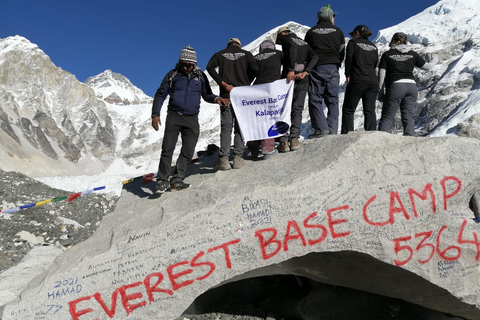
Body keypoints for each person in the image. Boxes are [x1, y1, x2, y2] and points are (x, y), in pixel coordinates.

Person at [151, 45, 230, 193]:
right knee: (167, 149)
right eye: (183, 64)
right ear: (180, 62)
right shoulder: (172, 75)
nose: (186, 67)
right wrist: (155, 114)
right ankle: (162, 181)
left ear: (194, 64)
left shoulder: (200, 76)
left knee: (188, 150)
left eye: (189, 65)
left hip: (192, 118)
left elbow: (207, 94)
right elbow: (160, 94)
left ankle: (177, 180)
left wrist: (216, 98)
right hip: (174, 116)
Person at [206, 38, 258, 170]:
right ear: (239, 45)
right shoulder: (246, 54)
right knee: (240, 125)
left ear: (228, 45)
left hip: (226, 95)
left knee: (226, 126)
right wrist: (246, 82)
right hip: (242, 95)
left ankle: (223, 159)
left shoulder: (220, 54)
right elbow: (255, 68)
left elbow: (209, 67)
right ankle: (237, 158)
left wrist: (223, 83)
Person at [377, 32, 437, 136]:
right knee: (408, 116)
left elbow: (381, 75)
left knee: (387, 117)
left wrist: (381, 93)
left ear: (394, 41)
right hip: (412, 86)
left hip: (396, 86)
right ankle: (409, 140)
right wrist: (435, 59)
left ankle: (378, 143)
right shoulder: (412, 54)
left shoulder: (387, 54)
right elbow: (428, 67)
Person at [305, 4, 345, 138]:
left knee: (315, 99)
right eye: (333, 16)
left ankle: (321, 129)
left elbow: (307, 52)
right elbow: (341, 51)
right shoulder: (338, 31)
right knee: (332, 100)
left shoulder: (311, 32)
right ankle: (333, 130)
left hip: (317, 67)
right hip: (333, 68)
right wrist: (336, 61)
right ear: (329, 17)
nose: (334, 19)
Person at [275, 26, 318, 152]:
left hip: (288, 79)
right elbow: (315, 57)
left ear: (282, 33)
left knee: (284, 108)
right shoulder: (303, 42)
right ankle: (294, 139)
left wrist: (290, 69)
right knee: (297, 108)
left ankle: (283, 140)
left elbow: (292, 49)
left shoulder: (286, 39)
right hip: (303, 79)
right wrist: (306, 71)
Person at [247, 39, 283, 160]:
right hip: (273, 88)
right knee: (270, 116)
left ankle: (253, 145)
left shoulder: (255, 57)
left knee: (258, 116)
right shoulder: (278, 54)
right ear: (272, 47)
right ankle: (268, 148)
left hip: (257, 89)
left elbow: (250, 74)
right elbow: (289, 65)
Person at [341, 25, 379, 134]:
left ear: (357, 33)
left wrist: (347, 74)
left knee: (348, 109)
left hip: (357, 79)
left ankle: (346, 135)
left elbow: (349, 58)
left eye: (352, 34)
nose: (352, 36)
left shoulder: (353, 43)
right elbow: (375, 63)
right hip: (372, 81)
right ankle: (371, 134)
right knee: (369, 109)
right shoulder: (374, 46)